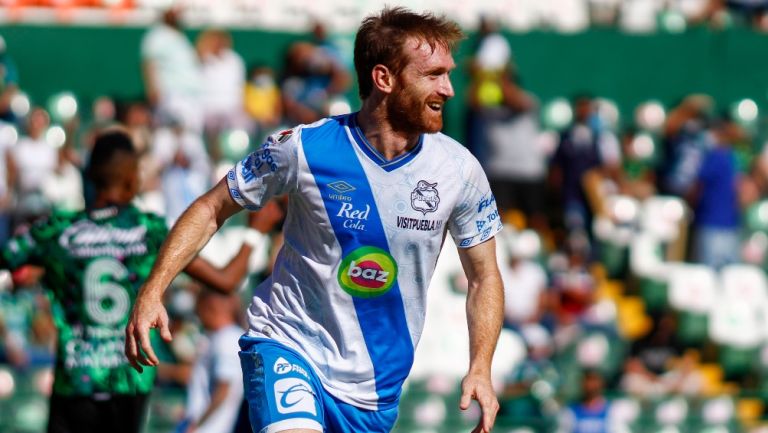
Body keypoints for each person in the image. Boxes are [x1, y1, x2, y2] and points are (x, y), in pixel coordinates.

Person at [126, 7, 504, 433]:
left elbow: (484, 277)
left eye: (448, 74)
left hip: (373, 389)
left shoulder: (459, 170)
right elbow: (212, 207)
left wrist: (480, 367)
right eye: (433, 74)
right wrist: (154, 288)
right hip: (288, 344)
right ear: (384, 79)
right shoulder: (303, 148)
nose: (449, 89)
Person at [0, 128, 257, 433]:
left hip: (75, 382)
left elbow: (9, 255)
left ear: (91, 175)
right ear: (133, 177)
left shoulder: (57, 230)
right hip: (127, 383)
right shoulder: (150, 231)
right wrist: (255, 232)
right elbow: (227, 281)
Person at [178, 287, 245, 433]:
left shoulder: (227, 339)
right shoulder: (218, 337)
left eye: (199, 308)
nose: (198, 315)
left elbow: (223, 389)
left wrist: (196, 424)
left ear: (211, 306)